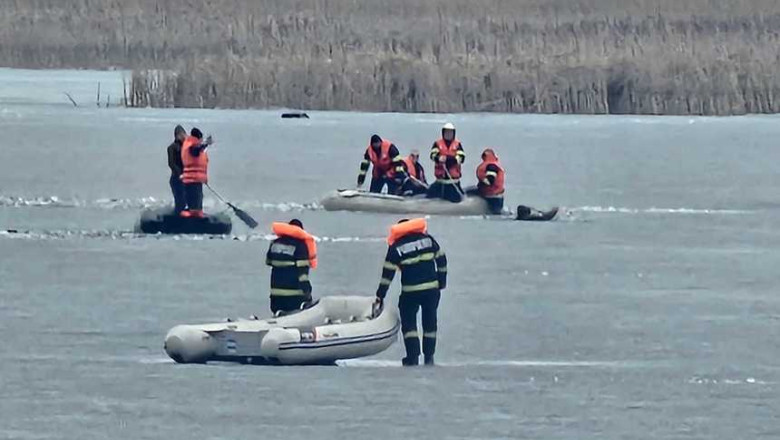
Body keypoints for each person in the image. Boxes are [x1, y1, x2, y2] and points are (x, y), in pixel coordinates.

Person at [375, 218, 447, 366]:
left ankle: (412, 357)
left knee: (409, 325)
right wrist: (441, 282)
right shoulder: (428, 240)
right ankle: (429, 357)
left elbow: (387, 274)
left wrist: (380, 295)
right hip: (431, 290)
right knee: (430, 324)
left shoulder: (396, 247)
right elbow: (442, 260)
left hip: (410, 292)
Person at [265, 219, 317, 314]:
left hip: (276, 296)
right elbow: (303, 274)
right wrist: (307, 292)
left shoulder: (275, 243)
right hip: (294, 297)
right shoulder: (300, 245)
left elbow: (268, 261)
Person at [426, 122, 465, 203]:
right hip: (440, 181)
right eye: (446, 132)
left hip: (453, 181)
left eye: (450, 132)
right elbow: (432, 155)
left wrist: (450, 160)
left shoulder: (457, 145)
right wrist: (438, 158)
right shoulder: (437, 144)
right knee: (429, 196)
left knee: (458, 199)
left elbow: (461, 157)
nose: (448, 134)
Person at [180, 128, 213, 218]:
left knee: (198, 198)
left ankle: (197, 212)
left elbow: (200, 149)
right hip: (192, 179)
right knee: (194, 199)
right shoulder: (191, 145)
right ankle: (193, 215)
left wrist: (206, 144)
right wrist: (206, 143)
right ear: (198, 138)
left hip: (196, 179)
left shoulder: (191, 145)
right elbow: (196, 150)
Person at [466, 148, 506, 214]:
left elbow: (490, 180)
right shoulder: (493, 164)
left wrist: (482, 182)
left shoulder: (491, 166)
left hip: (492, 196)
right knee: (467, 191)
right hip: (494, 194)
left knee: (495, 213)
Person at [167, 125, 187, 213]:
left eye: (184, 134)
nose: (183, 136)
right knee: (180, 201)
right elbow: (171, 163)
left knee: (192, 200)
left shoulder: (188, 148)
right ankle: (178, 217)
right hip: (176, 179)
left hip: (188, 179)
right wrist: (180, 174)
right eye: (180, 134)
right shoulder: (172, 148)